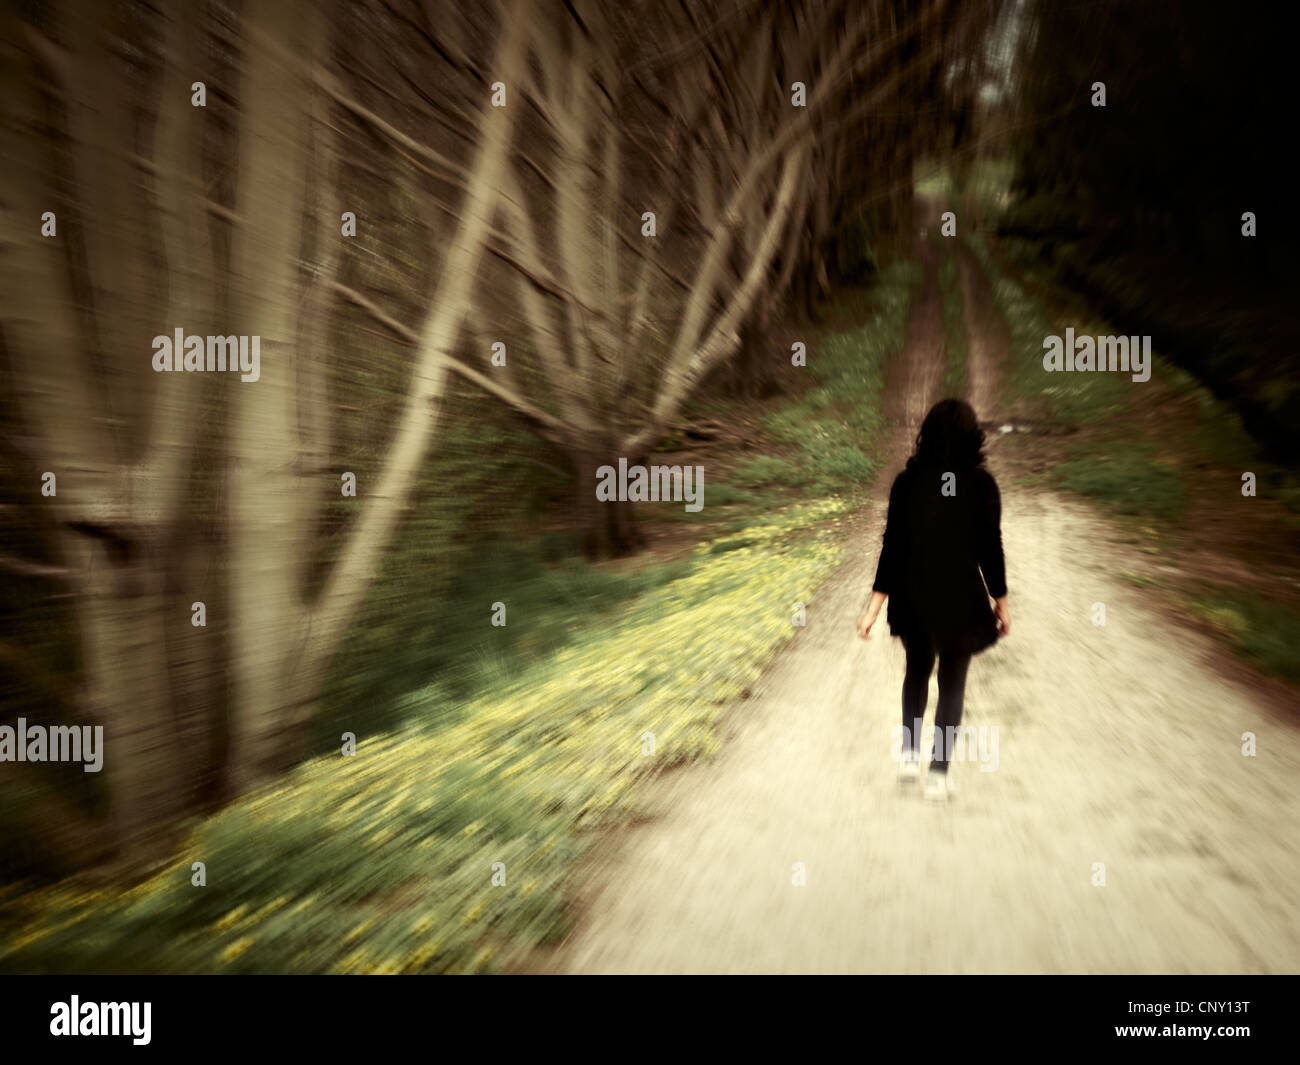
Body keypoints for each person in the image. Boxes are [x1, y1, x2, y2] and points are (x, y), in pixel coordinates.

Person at [856, 398, 1009, 801]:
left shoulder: (908, 483)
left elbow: (892, 546)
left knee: (916, 670)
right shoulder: (981, 485)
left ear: (928, 434)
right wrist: (1001, 603)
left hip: (913, 596)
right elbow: (989, 549)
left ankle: (908, 754)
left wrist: (874, 606)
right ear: (973, 437)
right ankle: (938, 774)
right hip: (961, 600)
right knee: (952, 683)